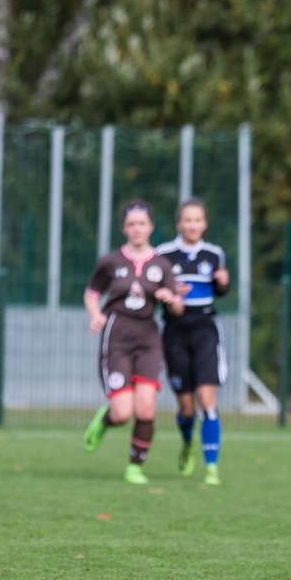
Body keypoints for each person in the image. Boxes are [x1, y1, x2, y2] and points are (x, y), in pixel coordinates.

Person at [82, 200, 184, 484]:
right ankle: (105, 421)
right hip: (117, 336)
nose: (137, 229)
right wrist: (95, 315)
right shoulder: (110, 262)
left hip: (149, 338)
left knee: (146, 408)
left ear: (150, 226)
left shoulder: (162, 265)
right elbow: (91, 293)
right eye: (131, 224)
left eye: (142, 223)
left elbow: (177, 308)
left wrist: (171, 299)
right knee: (123, 412)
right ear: (124, 228)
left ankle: (135, 467)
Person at [155, 198, 231, 486]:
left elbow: (221, 289)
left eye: (198, 220)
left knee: (207, 401)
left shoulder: (214, 254)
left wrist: (223, 282)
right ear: (179, 224)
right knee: (186, 407)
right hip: (175, 330)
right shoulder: (164, 253)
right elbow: (155, 290)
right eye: (187, 220)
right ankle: (187, 443)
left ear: (205, 224)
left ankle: (212, 466)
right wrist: (168, 293)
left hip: (205, 329)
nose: (192, 225)